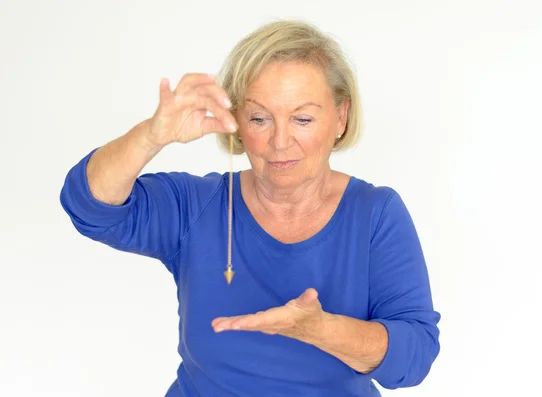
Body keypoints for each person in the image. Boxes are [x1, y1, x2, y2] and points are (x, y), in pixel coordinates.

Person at [59, 19, 441, 397]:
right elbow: (89, 207)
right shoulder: (197, 205)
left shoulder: (376, 214)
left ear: (340, 117)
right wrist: (151, 136)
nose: (280, 141)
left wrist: (320, 330)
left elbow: (414, 358)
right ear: (238, 122)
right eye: (259, 118)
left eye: (302, 118)